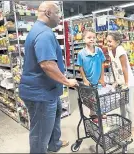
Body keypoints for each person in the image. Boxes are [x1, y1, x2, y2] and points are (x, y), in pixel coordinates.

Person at [18, 2, 78, 153]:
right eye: (58, 13)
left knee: (56, 113)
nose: (60, 17)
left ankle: (54, 144)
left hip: (48, 90)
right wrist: (66, 81)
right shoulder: (44, 33)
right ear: (49, 13)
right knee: (39, 132)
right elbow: (47, 64)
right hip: (40, 93)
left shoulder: (39, 30)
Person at [106, 32, 134, 132]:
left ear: (117, 42)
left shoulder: (120, 50)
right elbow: (114, 67)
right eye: (107, 41)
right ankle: (124, 124)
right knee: (122, 105)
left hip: (128, 82)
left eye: (110, 41)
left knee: (128, 106)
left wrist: (126, 84)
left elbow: (124, 67)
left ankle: (132, 126)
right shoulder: (110, 51)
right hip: (120, 82)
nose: (108, 43)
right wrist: (115, 81)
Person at [76, 28, 106, 121]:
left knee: (100, 96)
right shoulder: (81, 53)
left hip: (98, 80)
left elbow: (102, 63)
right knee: (91, 98)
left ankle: (100, 112)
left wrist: (102, 77)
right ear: (84, 39)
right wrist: (84, 79)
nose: (92, 39)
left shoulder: (99, 51)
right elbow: (80, 67)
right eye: (89, 37)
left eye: (93, 37)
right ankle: (92, 113)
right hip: (89, 80)